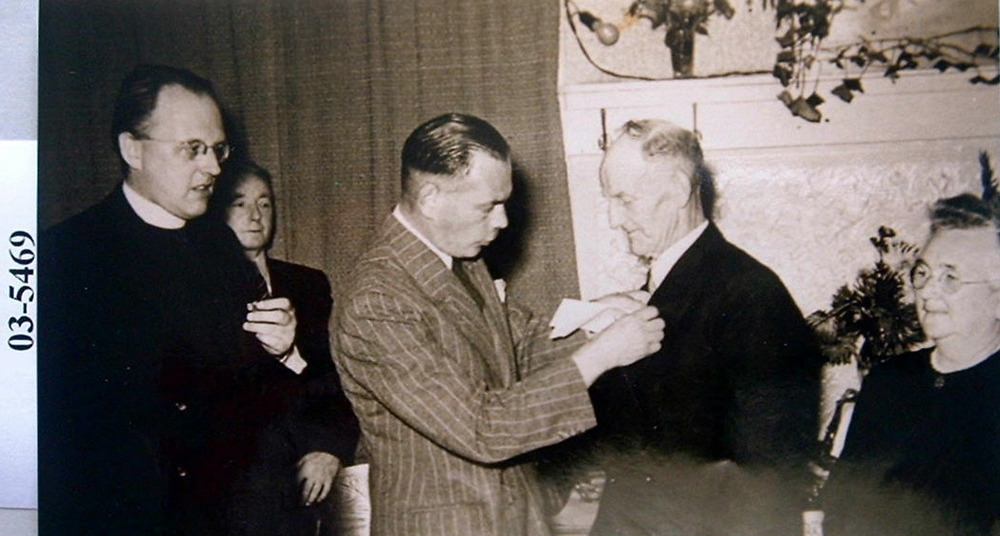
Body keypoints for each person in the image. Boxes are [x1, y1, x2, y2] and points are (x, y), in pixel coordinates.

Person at [334, 113, 665, 536]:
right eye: (487, 206)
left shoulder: (461, 258)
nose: (503, 221)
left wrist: (597, 319)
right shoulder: (377, 300)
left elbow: (516, 345)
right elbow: (481, 428)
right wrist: (601, 355)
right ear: (431, 198)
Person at [39, 65, 299, 535]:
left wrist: (279, 353)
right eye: (192, 149)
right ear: (132, 149)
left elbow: (250, 408)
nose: (214, 168)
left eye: (218, 149)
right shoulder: (64, 256)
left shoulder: (222, 248)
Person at [582, 119, 823, 536]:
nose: (613, 219)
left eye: (624, 199)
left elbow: (768, 474)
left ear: (678, 189)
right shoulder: (668, 288)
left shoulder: (749, 293)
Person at [824, 194, 1000, 536]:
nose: (927, 292)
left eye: (950, 278)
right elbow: (840, 504)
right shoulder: (890, 379)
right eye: (923, 273)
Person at [210, 160, 361, 535]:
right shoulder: (202, 290)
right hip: (237, 485)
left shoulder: (309, 284)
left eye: (265, 203)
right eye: (239, 203)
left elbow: (335, 374)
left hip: (308, 477)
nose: (255, 216)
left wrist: (329, 448)